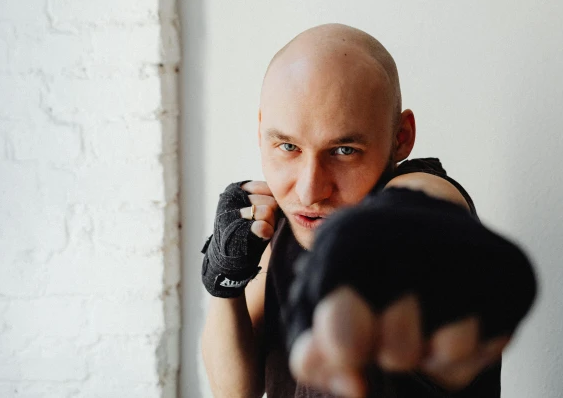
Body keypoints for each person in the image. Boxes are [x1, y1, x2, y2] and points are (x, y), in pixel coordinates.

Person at [200, 24, 536, 398]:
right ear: (262, 130)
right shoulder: (281, 225)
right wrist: (225, 278)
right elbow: (234, 392)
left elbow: (418, 210)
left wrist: (358, 245)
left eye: (344, 151)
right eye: (288, 147)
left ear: (401, 137)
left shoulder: (413, 194)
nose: (310, 190)